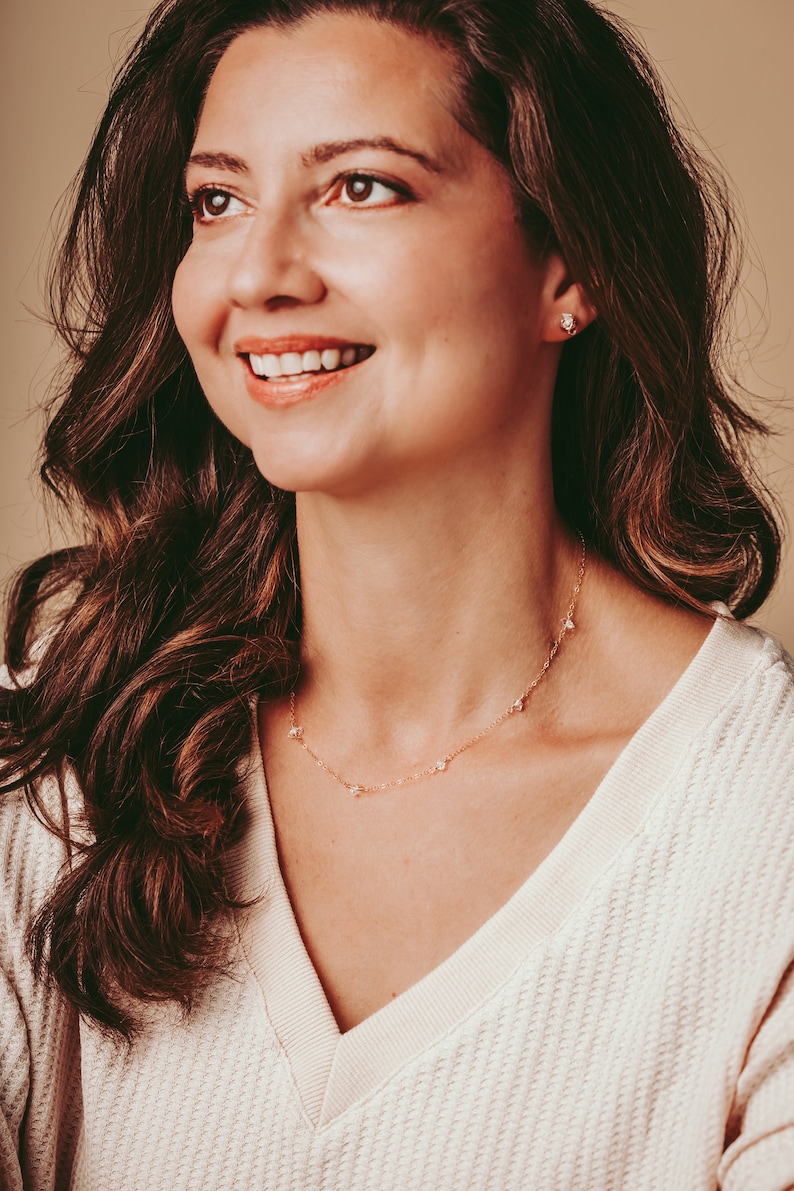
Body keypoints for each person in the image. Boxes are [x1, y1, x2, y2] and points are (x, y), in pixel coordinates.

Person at [1, 0, 792, 1187]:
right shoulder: (51, 765)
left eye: (359, 187)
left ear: (566, 264)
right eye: (217, 202)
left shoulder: (758, 824)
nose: (259, 276)